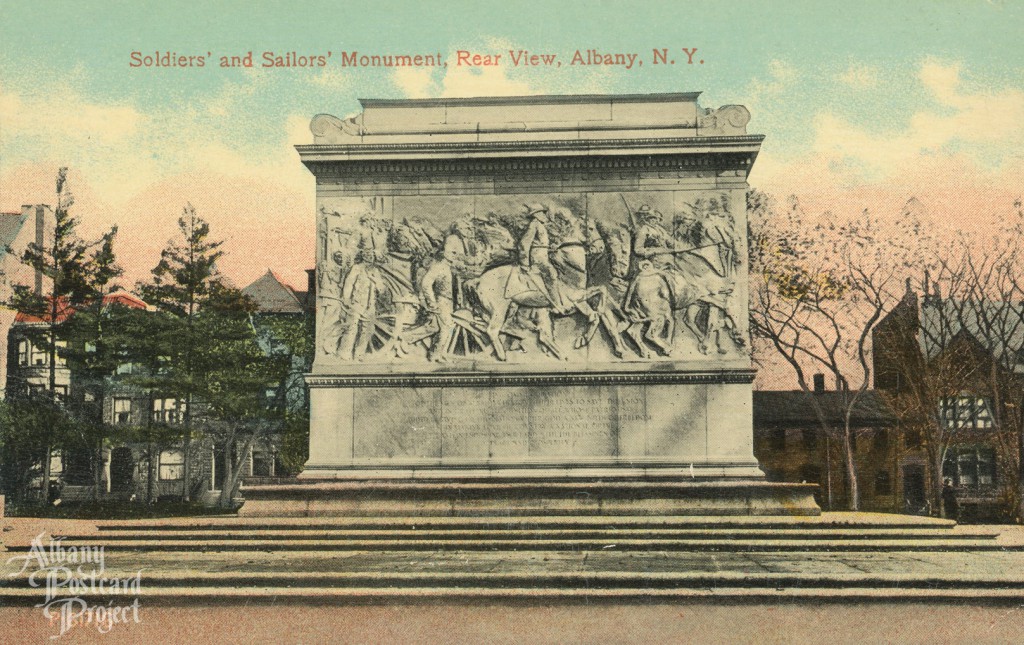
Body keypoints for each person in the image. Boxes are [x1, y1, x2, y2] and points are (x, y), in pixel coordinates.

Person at [518, 203, 568, 313]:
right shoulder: (534, 224)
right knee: (550, 273)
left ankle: (561, 301)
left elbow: (540, 244)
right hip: (537, 257)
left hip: (543, 254)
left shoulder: (540, 225)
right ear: (535, 214)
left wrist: (550, 248)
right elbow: (524, 244)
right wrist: (525, 263)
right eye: (540, 213)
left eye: (543, 212)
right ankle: (555, 306)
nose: (543, 215)